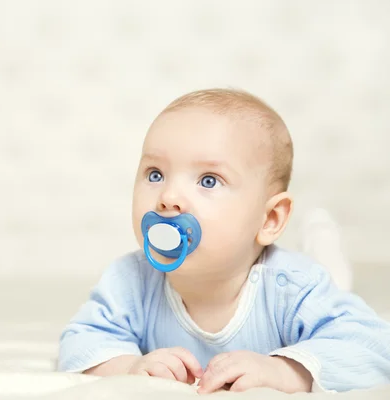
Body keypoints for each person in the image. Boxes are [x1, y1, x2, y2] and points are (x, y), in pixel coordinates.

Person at [57, 88, 390, 394]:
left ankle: (323, 243)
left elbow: (372, 346)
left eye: (208, 180)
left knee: (334, 278)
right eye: (155, 174)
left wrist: (286, 370)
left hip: (313, 274)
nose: (169, 197)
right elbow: (81, 341)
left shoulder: (295, 287)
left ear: (269, 219)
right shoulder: (131, 280)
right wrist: (127, 366)